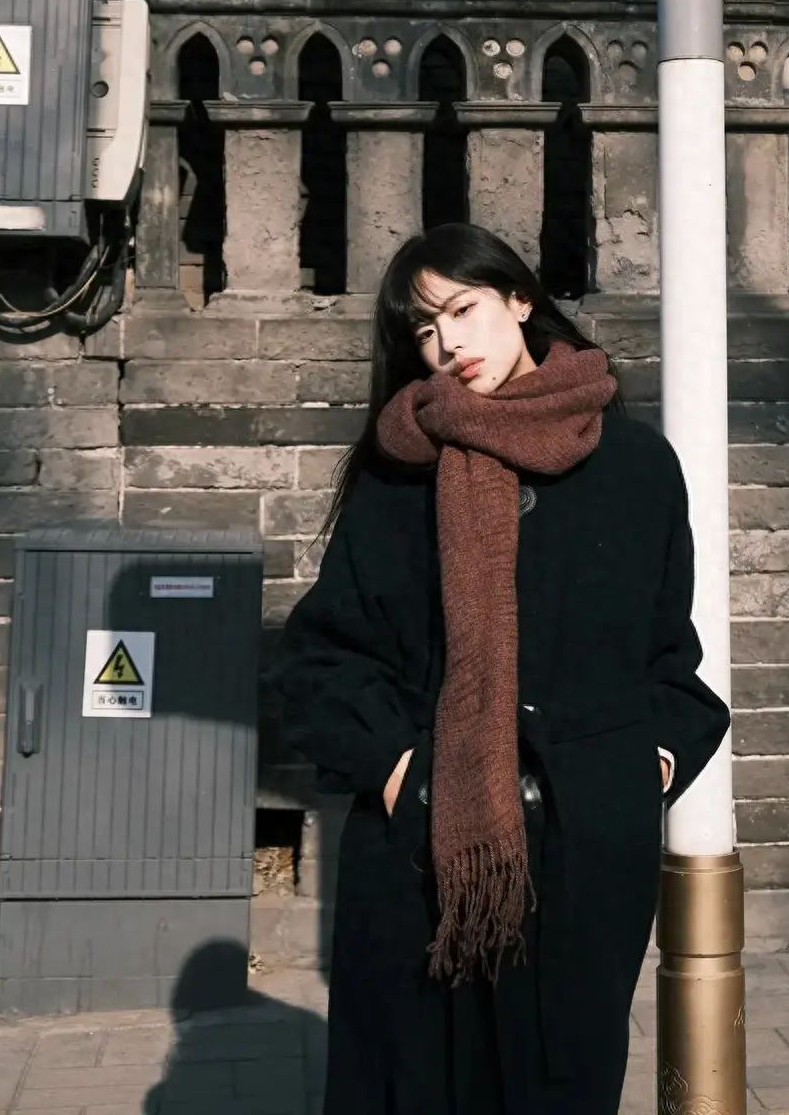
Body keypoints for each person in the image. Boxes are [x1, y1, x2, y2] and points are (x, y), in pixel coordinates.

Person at [269, 221, 731, 1115]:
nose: (447, 344)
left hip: (583, 854)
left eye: (464, 310)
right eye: (424, 329)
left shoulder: (635, 467)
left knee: (559, 1089)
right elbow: (320, 659)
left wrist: (645, 769)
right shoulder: (399, 471)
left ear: (521, 299)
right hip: (422, 862)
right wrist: (404, 773)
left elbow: (669, 660)